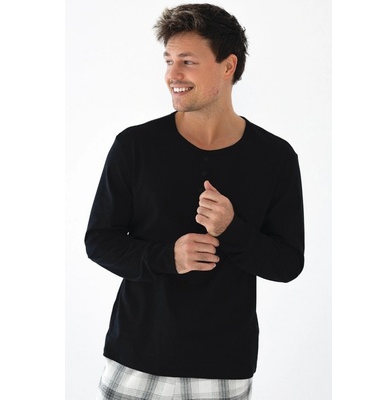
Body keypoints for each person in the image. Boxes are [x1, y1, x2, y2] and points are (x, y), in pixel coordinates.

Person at [85, 3, 305, 399]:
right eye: (169, 61)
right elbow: (99, 240)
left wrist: (232, 230)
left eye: (187, 61)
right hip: (137, 359)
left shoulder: (275, 157)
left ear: (228, 66)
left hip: (223, 368)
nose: (173, 74)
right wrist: (167, 256)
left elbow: (288, 264)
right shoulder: (135, 146)